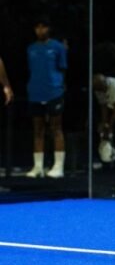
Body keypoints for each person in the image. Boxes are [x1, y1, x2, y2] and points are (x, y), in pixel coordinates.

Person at [25, 16, 67, 178]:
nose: (40, 30)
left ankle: (58, 166)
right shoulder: (30, 48)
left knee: (56, 128)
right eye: (37, 27)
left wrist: (60, 86)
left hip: (54, 92)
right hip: (35, 93)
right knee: (38, 130)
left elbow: (63, 69)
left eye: (43, 27)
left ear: (49, 28)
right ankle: (38, 167)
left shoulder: (58, 47)